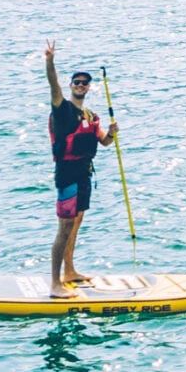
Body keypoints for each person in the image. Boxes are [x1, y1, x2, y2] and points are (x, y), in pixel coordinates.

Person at [44, 41, 117, 296]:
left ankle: (70, 271)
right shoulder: (62, 109)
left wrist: (112, 134)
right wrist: (50, 62)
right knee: (64, 228)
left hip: (85, 173)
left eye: (85, 83)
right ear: (71, 85)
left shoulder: (90, 116)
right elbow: (53, 84)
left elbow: (104, 143)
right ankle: (55, 284)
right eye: (77, 82)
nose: (81, 86)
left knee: (76, 222)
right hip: (67, 175)